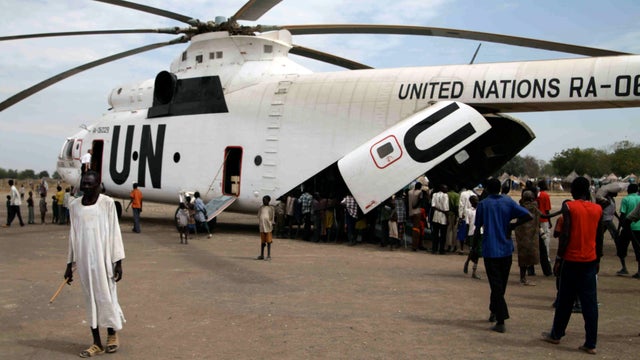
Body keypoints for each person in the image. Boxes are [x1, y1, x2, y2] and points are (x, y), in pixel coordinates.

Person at [64, 170, 125, 357]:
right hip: (84, 263)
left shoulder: (106, 203)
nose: (86, 187)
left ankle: (112, 334)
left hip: (103, 260)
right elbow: (72, 236)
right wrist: (69, 265)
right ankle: (96, 343)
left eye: (90, 184)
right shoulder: (74, 206)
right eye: (84, 183)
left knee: (106, 297)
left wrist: (118, 261)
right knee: (90, 300)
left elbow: (115, 232)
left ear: (98, 184)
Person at [542, 176, 603, 355]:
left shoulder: (569, 207)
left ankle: (556, 334)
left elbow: (565, 235)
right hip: (590, 261)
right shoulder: (597, 209)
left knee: (565, 301)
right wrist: (598, 259)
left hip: (571, 260)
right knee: (589, 304)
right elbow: (599, 237)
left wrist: (559, 259)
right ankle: (590, 343)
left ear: (574, 191)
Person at [474, 178, 532, 333]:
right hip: (506, 249)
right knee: (501, 285)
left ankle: (501, 319)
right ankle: (494, 309)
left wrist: (474, 249)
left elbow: (477, 226)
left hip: (490, 250)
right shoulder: (508, 201)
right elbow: (528, 215)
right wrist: (513, 225)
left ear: (486, 188)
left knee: (496, 285)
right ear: (500, 188)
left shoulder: (483, 205)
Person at [515, 190, 541, 286]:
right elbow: (544, 215)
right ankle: (523, 278)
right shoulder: (534, 207)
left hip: (521, 236)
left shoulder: (520, 207)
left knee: (523, 257)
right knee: (528, 257)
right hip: (532, 236)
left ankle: (523, 277)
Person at [617, 183, 640, 277]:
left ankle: (624, 267)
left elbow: (623, 215)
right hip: (639, 228)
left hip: (628, 227)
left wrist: (619, 228)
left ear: (628, 190)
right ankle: (639, 271)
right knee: (638, 249)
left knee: (621, 248)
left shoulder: (626, 199)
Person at [537, 180, 553, 276]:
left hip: (537, 219)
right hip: (544, 220)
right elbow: (547, 210)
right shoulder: (545, 195)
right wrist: (550, 221)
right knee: (546, 239)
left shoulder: (537, 195)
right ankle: (546, 257)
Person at [463, 195, 482, 279]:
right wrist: (467, 235)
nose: (477, 202)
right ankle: (467, 262)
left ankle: (474, 270)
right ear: (471, 202)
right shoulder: (468, 211)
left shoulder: (481, 210)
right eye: (475, 200)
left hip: (480, 232)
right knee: (473, 250)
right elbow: (467, 224)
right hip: (472, 232)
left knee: (478, 251)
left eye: (477, 200)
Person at [430, 185, 449, 254]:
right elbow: (446, 208)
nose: (447, 190)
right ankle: (441, 249)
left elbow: (433, 206)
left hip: (436, 216)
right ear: (442, 189)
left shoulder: (434, 194)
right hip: (443, 217)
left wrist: (438, 209)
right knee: (443, 234)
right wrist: (447, 218)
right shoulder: (445, 195)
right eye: (446, 188)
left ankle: (434, 249)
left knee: (435, 234)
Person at [256, 195, 275, 260]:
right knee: (262, 242)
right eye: (263, 200)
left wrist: (271, 224)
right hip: (262, 227)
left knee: (269, 242)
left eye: (265, 200)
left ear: (268, 201)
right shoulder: (261, 208)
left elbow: (271, 217)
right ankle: (262, 255)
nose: (264, 201)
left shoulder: (271, 208)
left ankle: (268, 255)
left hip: (268, 227)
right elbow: (259, 216)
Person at [407, 182, 424, 251]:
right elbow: (420, 201)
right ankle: (415, 246)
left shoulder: (409, 192)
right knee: (416, 229)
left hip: (411, 212)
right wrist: (416, 206)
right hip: (417, 212)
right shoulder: (420, 192)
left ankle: (415, 244)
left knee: (414, 228)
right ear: (420, 187)